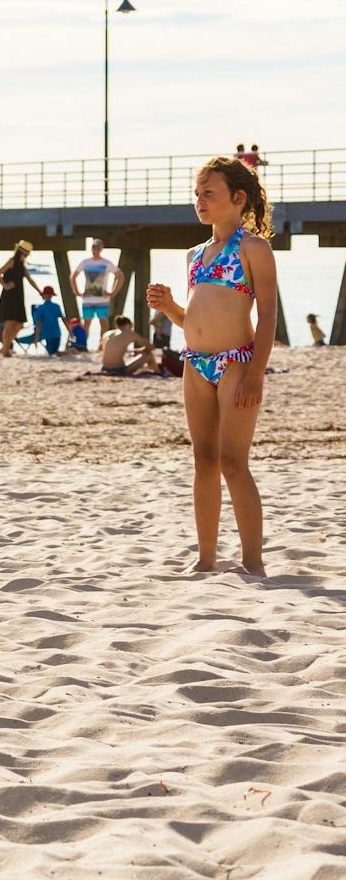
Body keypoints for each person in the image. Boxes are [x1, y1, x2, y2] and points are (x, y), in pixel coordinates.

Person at [147, 155, 278, 575]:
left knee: (233, 462)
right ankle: (206, 558)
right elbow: (195, 323)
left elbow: (269, 315)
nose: (200, 201)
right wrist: (170, 308)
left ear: (238, 198)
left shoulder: (254, 249)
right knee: (203, 460)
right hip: (195, 364)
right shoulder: (195, 255)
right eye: (197, 194)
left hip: (238, 362)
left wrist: (257, 371)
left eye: (209, 193)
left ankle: (252, 562)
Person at [73, 239, 122, 345]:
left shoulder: (106, 263)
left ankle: (102, 346)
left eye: (98, 248)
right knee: (86, 324)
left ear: (101, 249)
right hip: (87, 299)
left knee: (104, 324)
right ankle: (83, 345)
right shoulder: (85, 262)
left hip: (102, 299)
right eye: (93, 248)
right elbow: (73, 277)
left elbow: (120, 276)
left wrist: (113, 292)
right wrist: (77, 292)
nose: (95, 250)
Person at [0, 240, 35, 356]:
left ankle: (4, 348)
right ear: (20, 253)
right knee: (9, 324)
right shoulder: (11, 262)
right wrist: (5, 285)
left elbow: (30, 279)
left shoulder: (22, 266)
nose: (26, 256)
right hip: (8, 297)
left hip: (18, 298)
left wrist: (40, 291)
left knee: (19, 325)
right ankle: (5, 350)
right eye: (25, 254)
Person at [29, 285, 65, 355]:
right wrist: (70, 331)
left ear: (43, 295)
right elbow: (64, 319)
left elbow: (38, 324)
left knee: (52, 352)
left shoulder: (40, 308)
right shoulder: (56, 306)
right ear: (52, 295)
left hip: (48, 334)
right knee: (55, 351)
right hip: (57, 332)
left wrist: (36, 338)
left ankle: (65, 353)